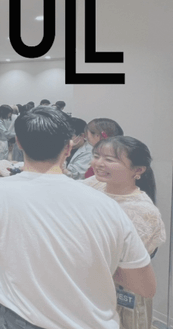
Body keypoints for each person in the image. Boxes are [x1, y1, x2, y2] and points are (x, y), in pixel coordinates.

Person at [0, 107, 156, 329]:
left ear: (19, 143)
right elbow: (146, 287)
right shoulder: (108, 206)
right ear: (68, 147)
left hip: (19, 321)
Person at [85, 136, 166, 329]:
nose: (99, 163)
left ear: (138, 170)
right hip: (88, 286)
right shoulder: (93, 184)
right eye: (96, 156)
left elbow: (126, 267)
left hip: (119, 294)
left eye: (110, 159)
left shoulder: (142, 211)